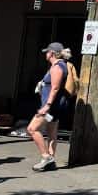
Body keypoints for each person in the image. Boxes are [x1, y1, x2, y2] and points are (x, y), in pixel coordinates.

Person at [28, 42, 70, 172]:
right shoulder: (59, 66)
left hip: (50, 107)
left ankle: (46, 157)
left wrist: (47, 105)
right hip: (55, 107)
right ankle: (51, 162)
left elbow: (55, 88)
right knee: (52, 133)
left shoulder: (57, 67)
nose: (45, 54)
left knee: (32, 129)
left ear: (52, 53)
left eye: (47, 52)